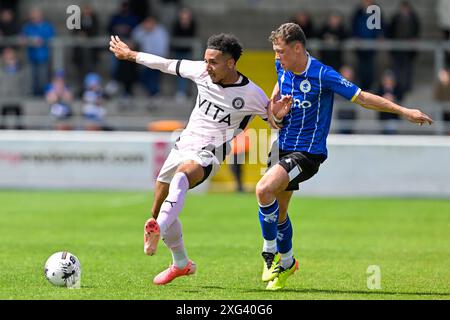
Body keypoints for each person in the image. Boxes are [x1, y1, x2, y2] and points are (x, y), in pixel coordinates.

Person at [256, 23, 433, 291]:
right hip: (282, 147)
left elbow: (362, 97)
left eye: (280, 51)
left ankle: (268, 256)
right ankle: (289, 262)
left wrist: (404, 111)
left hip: (307, 153)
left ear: (297, 48)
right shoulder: (282, 67)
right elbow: (274, 101)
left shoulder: (322, 74)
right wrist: (274, 113)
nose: (276, 57)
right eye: (275, 52)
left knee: (263, 189)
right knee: (278, 213)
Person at [109, 33, 279, 285]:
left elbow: (274, 119)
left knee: (181, 179)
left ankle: (159, 228)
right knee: (158, 208)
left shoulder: (252, 94)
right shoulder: (201, 72)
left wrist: (281, 120)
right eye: (206, 60)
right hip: (182, 146)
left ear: (231, 63)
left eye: (213, 62)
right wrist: (130, 54)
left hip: (210, 153)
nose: (207, 66)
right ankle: (181, 263)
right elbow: (165, 64)